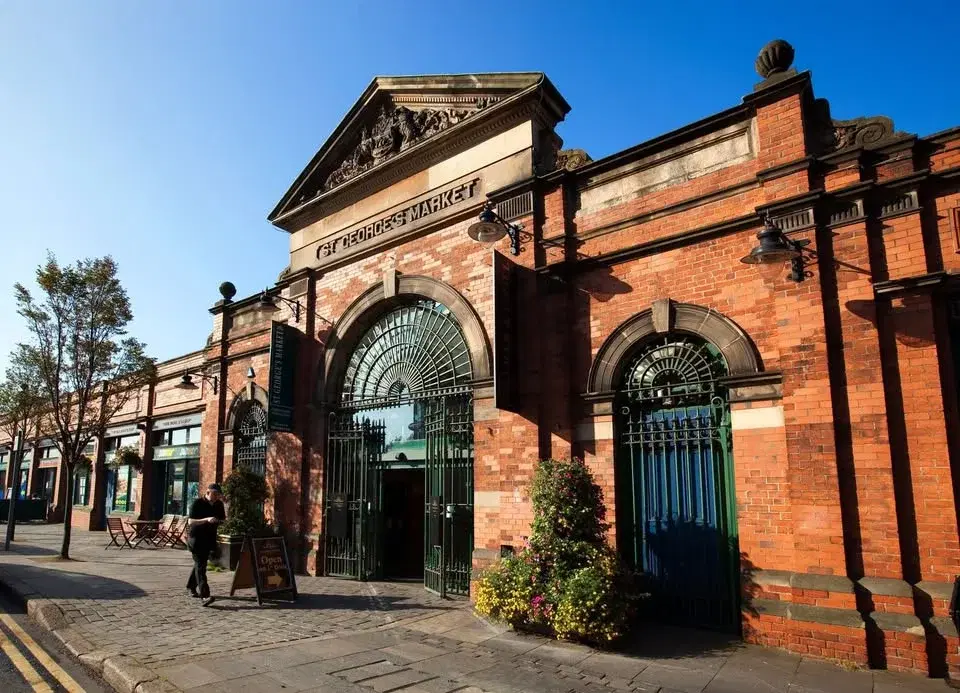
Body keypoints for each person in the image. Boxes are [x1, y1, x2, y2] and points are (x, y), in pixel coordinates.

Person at [187, 483, 225, 607]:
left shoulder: (219, 504)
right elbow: (190, 521)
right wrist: (206, 519)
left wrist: (219, 521)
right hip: (196, 539)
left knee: (200, 564)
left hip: (209, 539)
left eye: (218, 495)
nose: (217, 497)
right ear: (208, 492)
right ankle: (205, 596)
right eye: (215, 494)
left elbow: (222, 519)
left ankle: (191, 586)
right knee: (201, 567)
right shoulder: (197, 503)